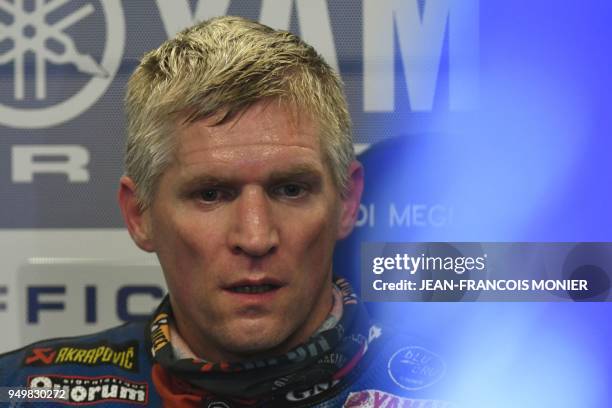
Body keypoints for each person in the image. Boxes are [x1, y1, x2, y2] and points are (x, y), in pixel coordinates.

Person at [0, 16, 451, 407]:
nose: (255, 237)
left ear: (347, 203)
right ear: (140, 215)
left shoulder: (479, 392)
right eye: (211, 194)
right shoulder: (23, 392)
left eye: (291, 189)